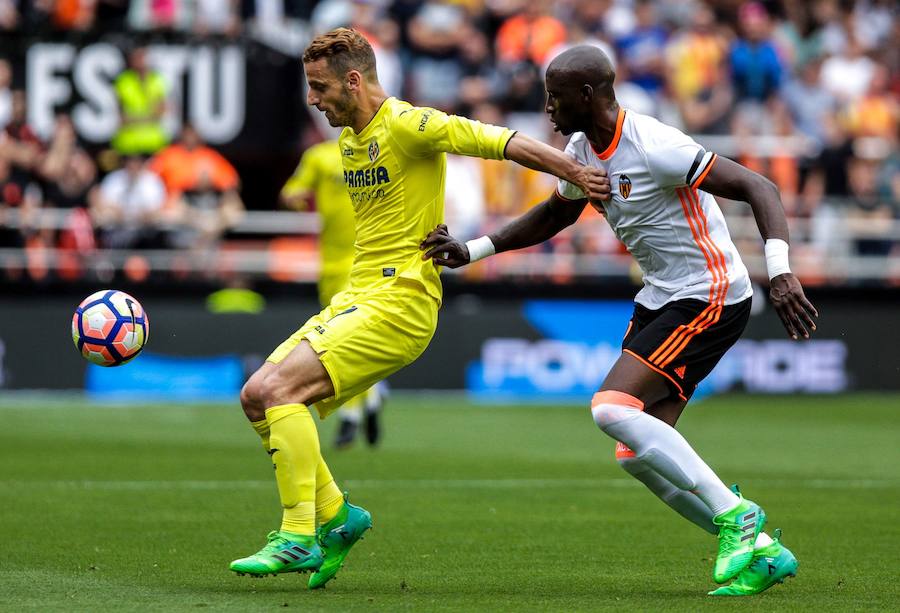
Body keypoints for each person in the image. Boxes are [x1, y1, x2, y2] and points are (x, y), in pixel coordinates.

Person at [421, 45, 818, 597]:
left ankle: (738, 517)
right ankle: (762, 551)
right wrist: (473, 249)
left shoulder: (655, 146)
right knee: (635, 453)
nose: (548, 108)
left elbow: (761, 187)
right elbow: (557, 213)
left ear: (588, 95)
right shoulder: (582, 148)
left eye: (555, 96)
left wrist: (780, 272)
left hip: (710, 295)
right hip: (663, 298)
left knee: (611, 408)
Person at [230, 28, 608, 590]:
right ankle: (338, 517)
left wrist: (573, 172)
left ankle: (297, 534)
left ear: (353, 81)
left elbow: (499, 140)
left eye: (319, 87)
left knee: (280, 392)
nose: (312, 99)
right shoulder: (347, 141)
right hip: (357, 294)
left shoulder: (408, 123)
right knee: (257, 397)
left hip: (401, 302)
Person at [280, 138, 386, 449]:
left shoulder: (379, 149)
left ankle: (350, 415)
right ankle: (374, 397)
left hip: (369, 260)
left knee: (347, 339)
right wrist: (295, 197)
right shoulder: (319, 157)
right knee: (353, 341)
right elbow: (290, 191)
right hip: (331, 263)